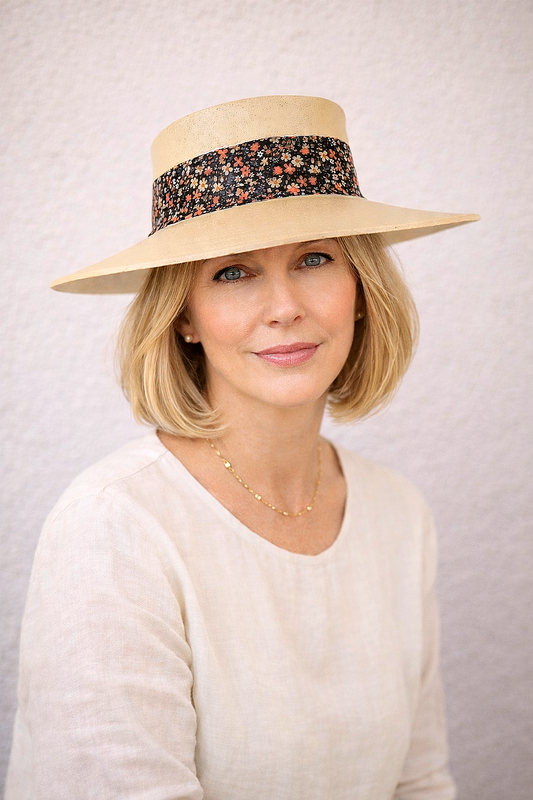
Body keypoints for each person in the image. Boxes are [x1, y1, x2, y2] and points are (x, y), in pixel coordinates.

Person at [4, 95, 479, 800]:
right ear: (184, 319)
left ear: (359, 291)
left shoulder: (396, 512)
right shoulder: (113, 526)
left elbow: (420, 782)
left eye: (314, 258)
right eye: (232, 271)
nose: (283, 306)